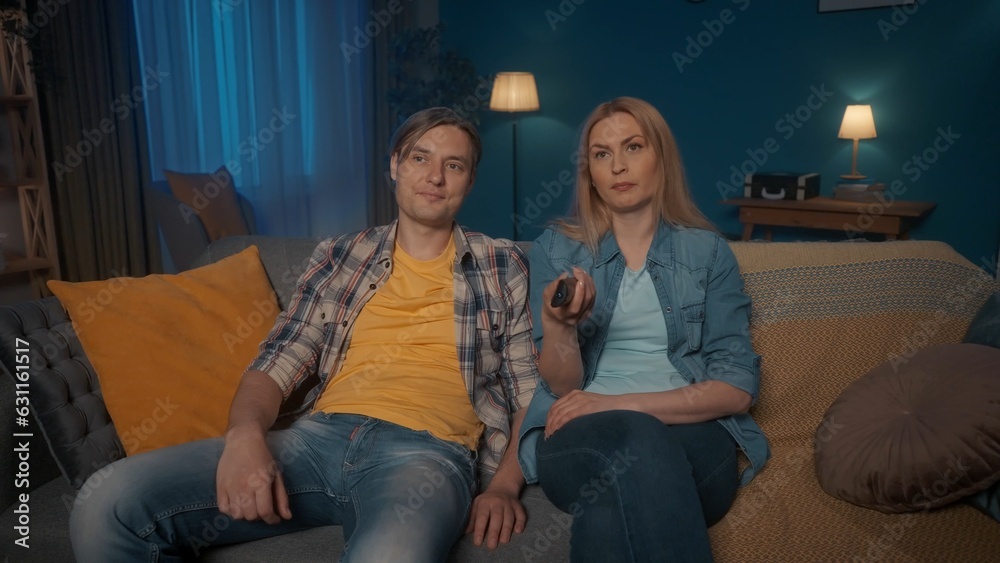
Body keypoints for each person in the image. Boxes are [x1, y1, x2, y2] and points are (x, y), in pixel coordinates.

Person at [69, 107, 538, 562]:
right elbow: (278, 359)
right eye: (421, 157)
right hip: (315, 440)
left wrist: (502, 486)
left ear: (469, 181)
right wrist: (244, 435)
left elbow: (527, 395)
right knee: (108, 503)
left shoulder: (502, 264)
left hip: (425, 456)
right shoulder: (339, 255)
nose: (434, 176)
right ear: (395, 165)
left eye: (453, 165)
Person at [517, 97, 770, 562]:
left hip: (695, 438)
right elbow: (564, 387)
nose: (618, 165)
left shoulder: (708, 253)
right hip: (581, 437)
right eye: (602, 153)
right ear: (590, 172)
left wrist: (615, 404)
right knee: (636, 447)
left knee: (611, 504)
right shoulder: (556, 249)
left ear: (661, 157)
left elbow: (736, 390)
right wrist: (558, 326)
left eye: (633, 147)